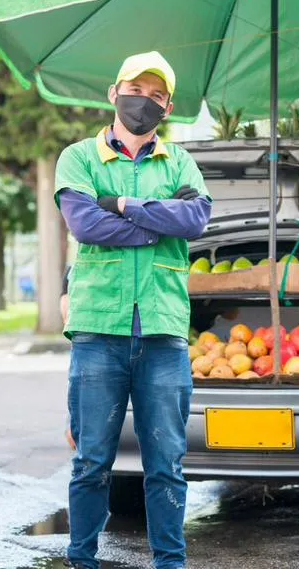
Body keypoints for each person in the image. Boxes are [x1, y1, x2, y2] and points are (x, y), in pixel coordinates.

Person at [54, 51, 212, 569]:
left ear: (168, 105)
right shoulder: (79, 157)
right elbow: (85, 224)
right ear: (113, 93)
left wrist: (121, 205)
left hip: (164, 330)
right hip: (99, 329)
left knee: (166, 463)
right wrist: (155, 224)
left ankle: (170, 563)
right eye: (133, 90)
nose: (142, 101)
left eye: (154, 94)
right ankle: (82, 560)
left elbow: (194, 220)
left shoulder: (181, 161)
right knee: (92, 461)